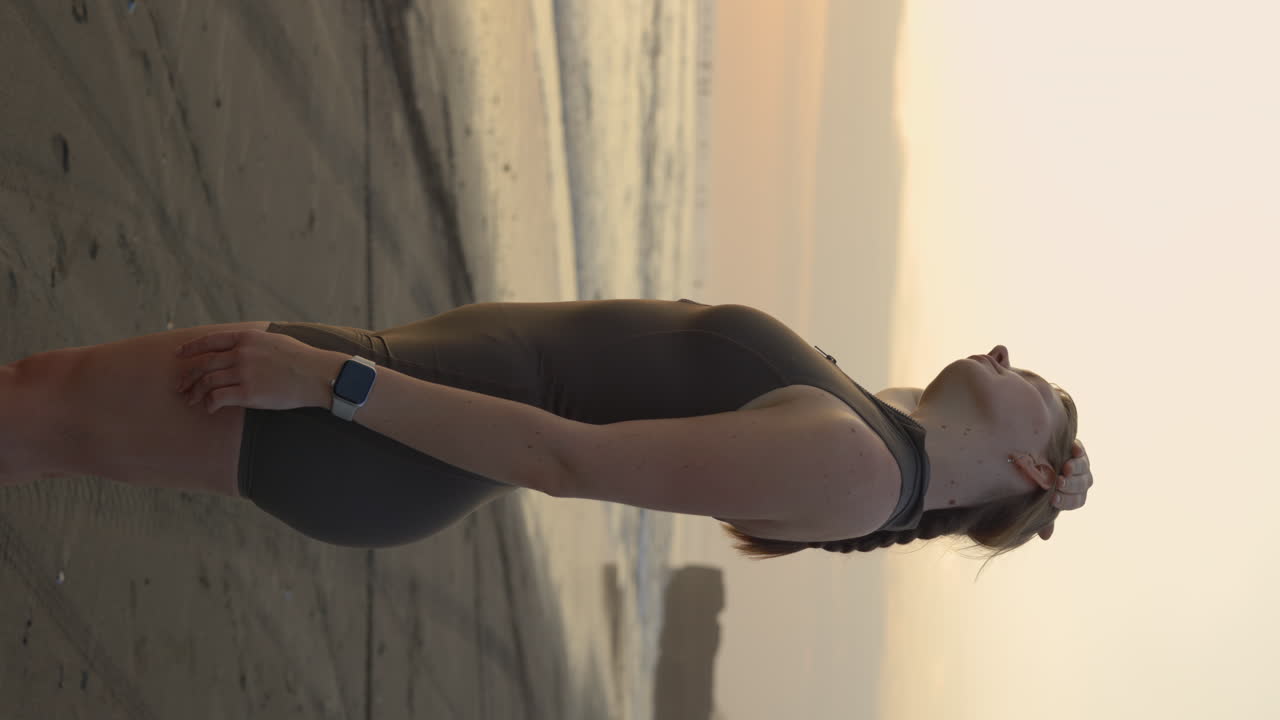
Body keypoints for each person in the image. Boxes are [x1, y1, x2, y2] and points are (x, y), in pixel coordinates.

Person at [0, 298, 1091, 557]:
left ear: (1025, 459)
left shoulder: (853, 469)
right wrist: (1052, 485)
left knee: (31, 413)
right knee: (38, 405)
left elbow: (565, 462)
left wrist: (326, 381)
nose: (1001, 354)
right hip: (380, 393)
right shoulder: (880, 441)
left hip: (368, 427)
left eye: (1029, 379)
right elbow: (926, 456)